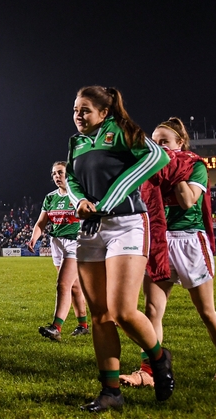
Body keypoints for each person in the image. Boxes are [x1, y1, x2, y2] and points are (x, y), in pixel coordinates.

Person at [67, 86, 173, 412]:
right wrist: (79, 202)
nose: (78, 116)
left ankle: (158, 357)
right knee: (100, 315)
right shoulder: (76, 142)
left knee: (123, 310)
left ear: (104, 112)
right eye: (75, 110)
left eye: (85, 110)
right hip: (90, 229)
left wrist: (106, 202)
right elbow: (70, 179)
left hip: (126, 224)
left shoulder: (123, 132)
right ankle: (110, 392)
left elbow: (158, 156)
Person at [119, 117, 216, 387]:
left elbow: (187, 201)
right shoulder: (152, 169)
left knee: (206, 311)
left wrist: (174, 170)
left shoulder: (195, 166)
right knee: (152, 310)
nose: (159, 147)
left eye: (165, 142)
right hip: (160, 241)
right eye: (156, 142)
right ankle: (148, 370)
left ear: (180, 143)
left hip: (190, 241)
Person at [28, 161, 89, 341]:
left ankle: (56, 327)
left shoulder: (79, 195)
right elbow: (41, 222)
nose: (57, 176)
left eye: (60, 173)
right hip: (56, 243)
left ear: (69, 174)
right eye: (54, 173)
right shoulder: (50, 197)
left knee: (63, 284)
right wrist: (34, 237)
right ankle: (83, 326)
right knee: (74, 286)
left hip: (75, 243)